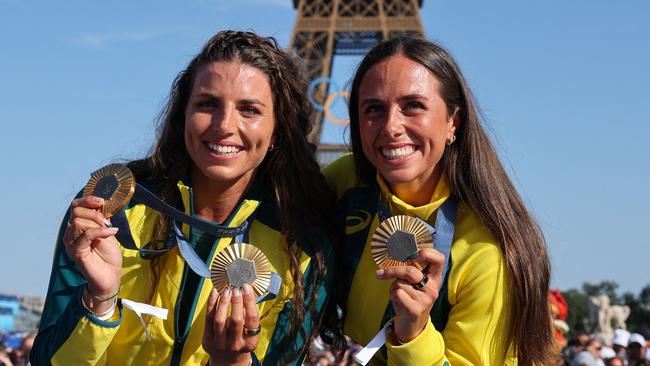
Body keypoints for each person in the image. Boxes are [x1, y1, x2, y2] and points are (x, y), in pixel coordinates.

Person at [32, 30, 338, 365]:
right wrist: (99, 300)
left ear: (278, 130)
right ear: (183, 116)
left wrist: (232, 361)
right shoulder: (112, 208)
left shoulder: (303, 246)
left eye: (249, 109)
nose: (224, 125)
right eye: (208, 104)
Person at [323, 36, 556, 365]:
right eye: (374, 108)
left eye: (413, 106)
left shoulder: (488, 250)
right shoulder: (344, 181)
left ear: (453, 123)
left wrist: (415, 333)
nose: (391, 126)